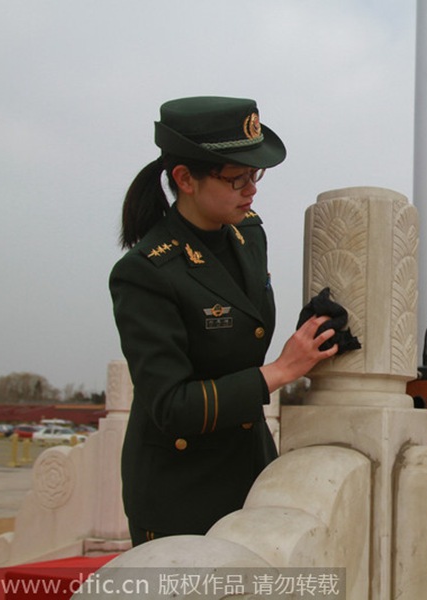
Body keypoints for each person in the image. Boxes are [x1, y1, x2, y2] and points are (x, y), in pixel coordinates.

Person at [110, 96, 339, 546]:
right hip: (181, 489)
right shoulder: (146, 272)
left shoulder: (247, 233)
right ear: (184, 179)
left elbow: (244, 323)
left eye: (254, 176)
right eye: (236, 179)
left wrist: (312, 331)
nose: (250, 190)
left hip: (248, 471)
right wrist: (280, 371)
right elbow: (170, 406)